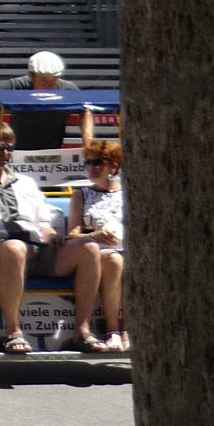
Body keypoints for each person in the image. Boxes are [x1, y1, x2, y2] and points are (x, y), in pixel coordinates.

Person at [0, 124, 109, 354]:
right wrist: (8, 241)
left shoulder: (26, 183)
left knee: (89, 249)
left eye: (9, 148)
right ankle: (13, 332)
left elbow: (43, 223)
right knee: (15, 248)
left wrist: (52, 236)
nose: (5, 153)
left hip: (37, 249)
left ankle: (82, 331)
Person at [65, 138, 128, 351]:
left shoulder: (128, 194)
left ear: (114, 166)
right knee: (113, 259)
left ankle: (127, 329)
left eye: (97, 162)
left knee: (127, 261)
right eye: (88, 163)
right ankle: (113, 330)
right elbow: (72, 233)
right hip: (98, 252)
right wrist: (95, 235)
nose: (91, 168)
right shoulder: (81, 195)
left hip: (126, 248)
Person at [1, 49, 96, 151]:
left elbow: (85, 111)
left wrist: (87, 138)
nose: (49, 86)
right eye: (44, 81)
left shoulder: (68, 89)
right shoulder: (15, 86)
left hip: (52, 152)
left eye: (54, 80)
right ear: (31, 76)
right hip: (17, 151)